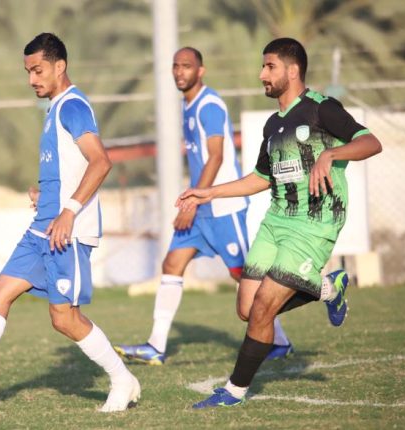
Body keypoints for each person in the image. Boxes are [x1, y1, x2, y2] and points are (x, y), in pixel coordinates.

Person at [0, 33, 140, 412]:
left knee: (64, 319)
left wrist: (68, 210)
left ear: (59, 66)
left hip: (66, 232)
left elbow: (101, 161)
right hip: (41, 229)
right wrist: (44, 194)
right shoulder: (54, 109)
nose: (32, 79)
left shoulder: (73, 106)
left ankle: (122, 378)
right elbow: (67, 168)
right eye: (28, 72)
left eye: (38, 70)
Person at [179, 38, 382, 408]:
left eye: (269, 66)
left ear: (292, 70)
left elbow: (370, 142)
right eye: (263, 66)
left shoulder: (322, 109)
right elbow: (261, 178)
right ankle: (328, 288)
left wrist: (331, 155)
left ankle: (234, 392)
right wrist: (209, 192)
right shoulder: (273, 124)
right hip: (276, 221)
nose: (262, 74)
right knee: (247, 308)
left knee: (263, 308)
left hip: (314, 222)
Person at [115, 47, 294, 366]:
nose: (179, 71)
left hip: (223, 207)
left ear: (201, 71)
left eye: (187, 66)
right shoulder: (187, 106)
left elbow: (216, 156)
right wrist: (194, 203)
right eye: (175, 66)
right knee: (172, 265)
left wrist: (195, 200)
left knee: (244, 277)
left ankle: (279, 341)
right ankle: (155, 346)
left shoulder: (209, 105)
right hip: (199, 208)